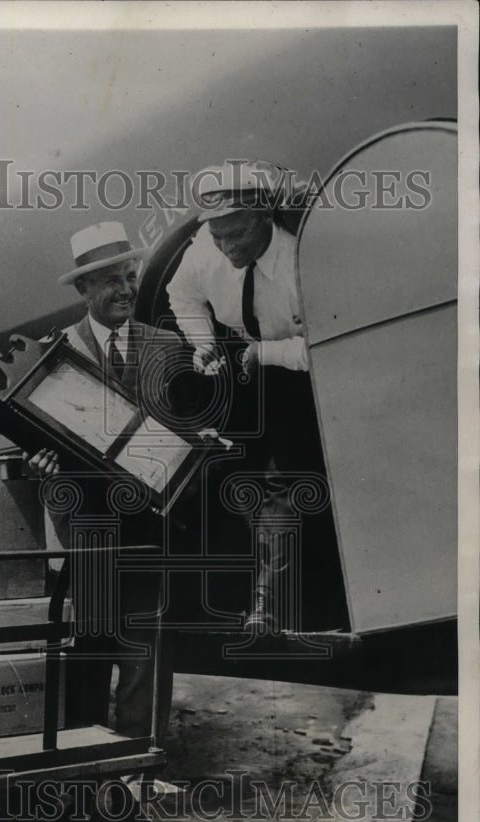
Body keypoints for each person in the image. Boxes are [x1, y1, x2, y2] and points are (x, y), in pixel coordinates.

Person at [29, 221, 190, 822]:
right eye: (112, 280)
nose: (126, 288)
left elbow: (181, 430)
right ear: (85, 288)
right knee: (91, 653)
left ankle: (132, 788)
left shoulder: (165, 348)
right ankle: (81, 784)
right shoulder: (55, 354)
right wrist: (40, 463)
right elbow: (34, 445)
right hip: (88, 533)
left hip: (149, 529)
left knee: (146, 657)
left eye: (130, 276)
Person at [166, 160, 328, 632]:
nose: (227, 247)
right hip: (244, 368)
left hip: (301, 375)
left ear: (265, 218)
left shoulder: (302, 258)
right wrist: (203, 344)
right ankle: (231, 603)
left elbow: (324, 347)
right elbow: (182, 296)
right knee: (231, 477)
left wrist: (266, 352)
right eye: (219, 236)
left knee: (283, 485)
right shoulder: (205, 247)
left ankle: (270, 610)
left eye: (237, 234)